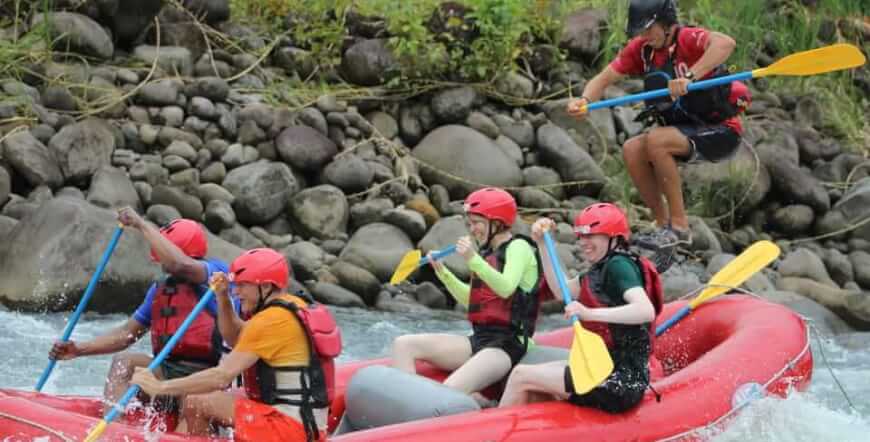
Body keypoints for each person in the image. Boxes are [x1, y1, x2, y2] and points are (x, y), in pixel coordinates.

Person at [567, 0, 751, 250]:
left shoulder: (687, 38)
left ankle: (680, 227)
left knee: (656, 140)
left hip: (722, 130)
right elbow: (603, 78)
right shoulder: (642, 50)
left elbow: (725, 43)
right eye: (639, 31)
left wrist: (689, 76)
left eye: (648, 29)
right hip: (685, 128)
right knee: (632, 148)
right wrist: (585, 100)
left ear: (666, 23)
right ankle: (663, 225)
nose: (643, 36)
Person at [132, 248, 341, 442]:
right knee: (209, 399)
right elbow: (237, 338)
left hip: (289, 429)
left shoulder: (269, 321)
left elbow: (220, 376)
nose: (236, 292)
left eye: (242, 285)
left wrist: (161, 386)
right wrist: (222, 297)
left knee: (197, 402)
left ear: (265, 286)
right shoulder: (291, 307)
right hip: (306, 424)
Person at [48, 209, 235, 418]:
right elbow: (127, 334)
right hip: (165, 370)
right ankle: (114, 431)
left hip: (202, 378)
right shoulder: (161, 290)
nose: (160, 260)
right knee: (125, 362)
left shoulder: (215, 274)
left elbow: (180, 264)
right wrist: (79, 349)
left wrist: (141, 224)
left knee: (192, 405)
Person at [498, 203, 664, 413]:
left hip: (618, 381)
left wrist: (589, 313)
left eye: (591, 236)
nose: (583, 243)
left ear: (613, 237)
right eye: (581, 236)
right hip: (605, 370)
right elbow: (561, 291)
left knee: (521, 375)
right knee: (533, 385)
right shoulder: (601, 269)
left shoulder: (618, 266)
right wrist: (542, 245)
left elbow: (644, 310)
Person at [390, 187, 542, 405]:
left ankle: (472, 409)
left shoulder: (519, 248)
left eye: (477, 222)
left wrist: (472, 258)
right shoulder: (488, 253)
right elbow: (471, 301)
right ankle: (405, 410)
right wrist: (442, 272)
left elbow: (506, 288)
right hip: (480, 339)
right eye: (469, 223)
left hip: (508, 346)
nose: (472, 229)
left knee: (448, 391)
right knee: (403, 344)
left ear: (497, 222)